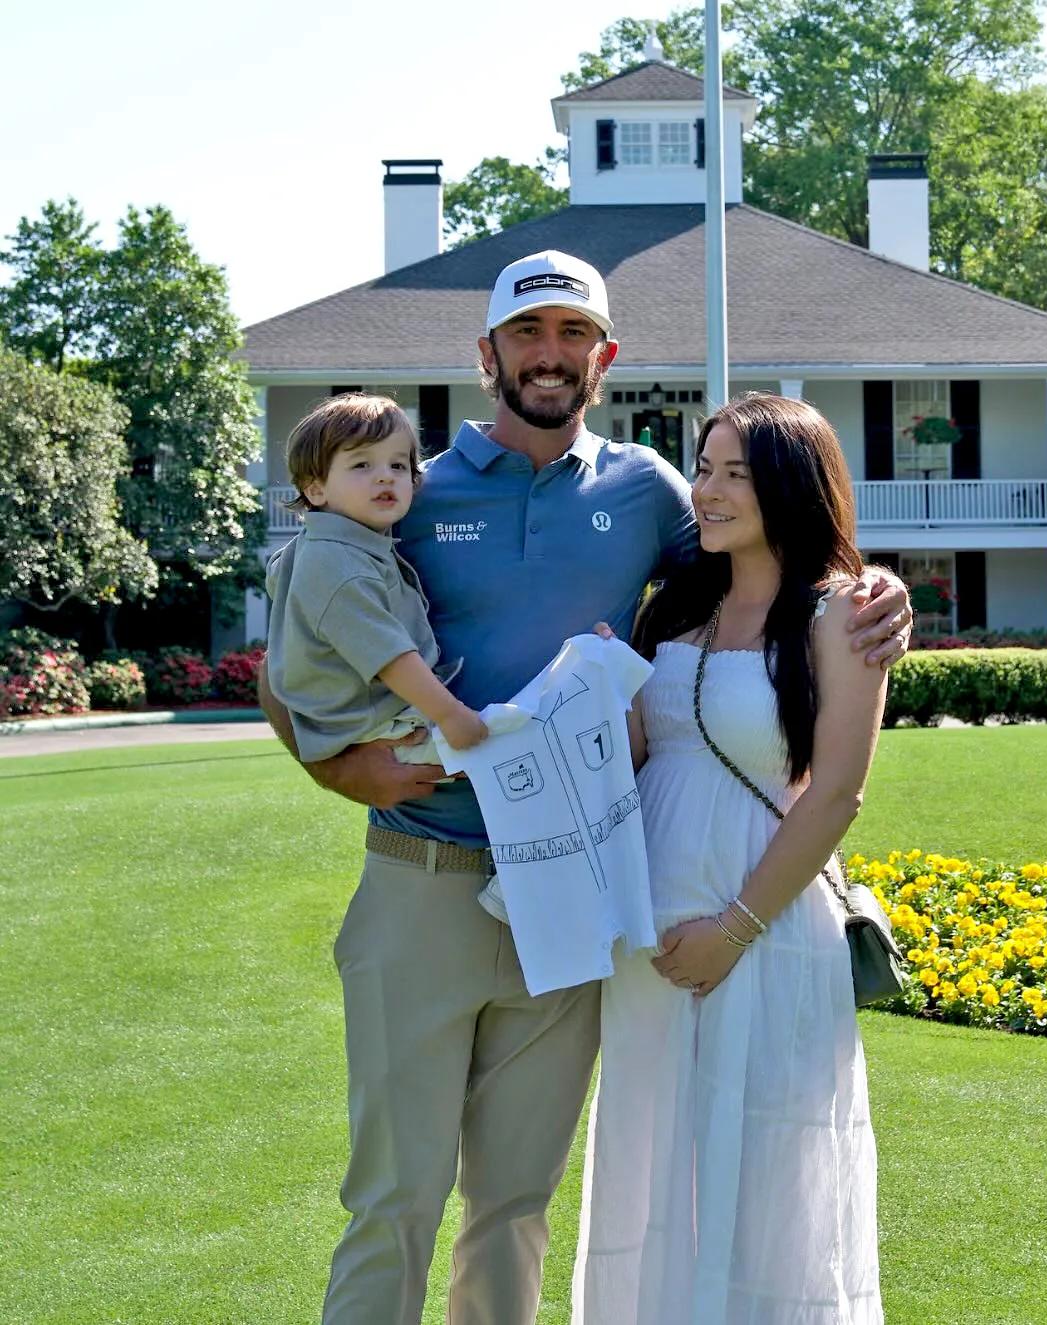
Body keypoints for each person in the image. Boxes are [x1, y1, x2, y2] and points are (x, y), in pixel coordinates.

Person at [258, 251, 913, 1325]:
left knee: (514, 1199)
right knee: (394, 1197)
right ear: (488, 355)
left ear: (604, 359)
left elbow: (758, 558)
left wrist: (871, 588)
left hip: (575, 895)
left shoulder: (649, 491)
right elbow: (293, 657)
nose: (550, 354)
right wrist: (337, 766)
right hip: (423, 874)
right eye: (528, 334)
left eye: (574, 335)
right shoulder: (405, 485)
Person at [573, 394, 888, 1325]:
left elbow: (836, 792)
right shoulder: (673, 605)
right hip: (649, 939)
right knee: (651, 1164)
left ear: (790, 485)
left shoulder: (843, 614)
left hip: (765, 928)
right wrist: (605, 690)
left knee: (763, 1181)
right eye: (702, 468)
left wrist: (730, 932)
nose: (704, 491)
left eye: (732, 474)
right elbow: (647, 755)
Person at [265, 392, 488, 765]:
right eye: (362, 465)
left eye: (399, 466)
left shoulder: (330, 545)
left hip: (376, 717)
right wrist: (450, 714)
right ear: (315, 488)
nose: (385, 475)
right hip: (378, 726)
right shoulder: (336, 563)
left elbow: (277, 570)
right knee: (508, 747)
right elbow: (388, 656)